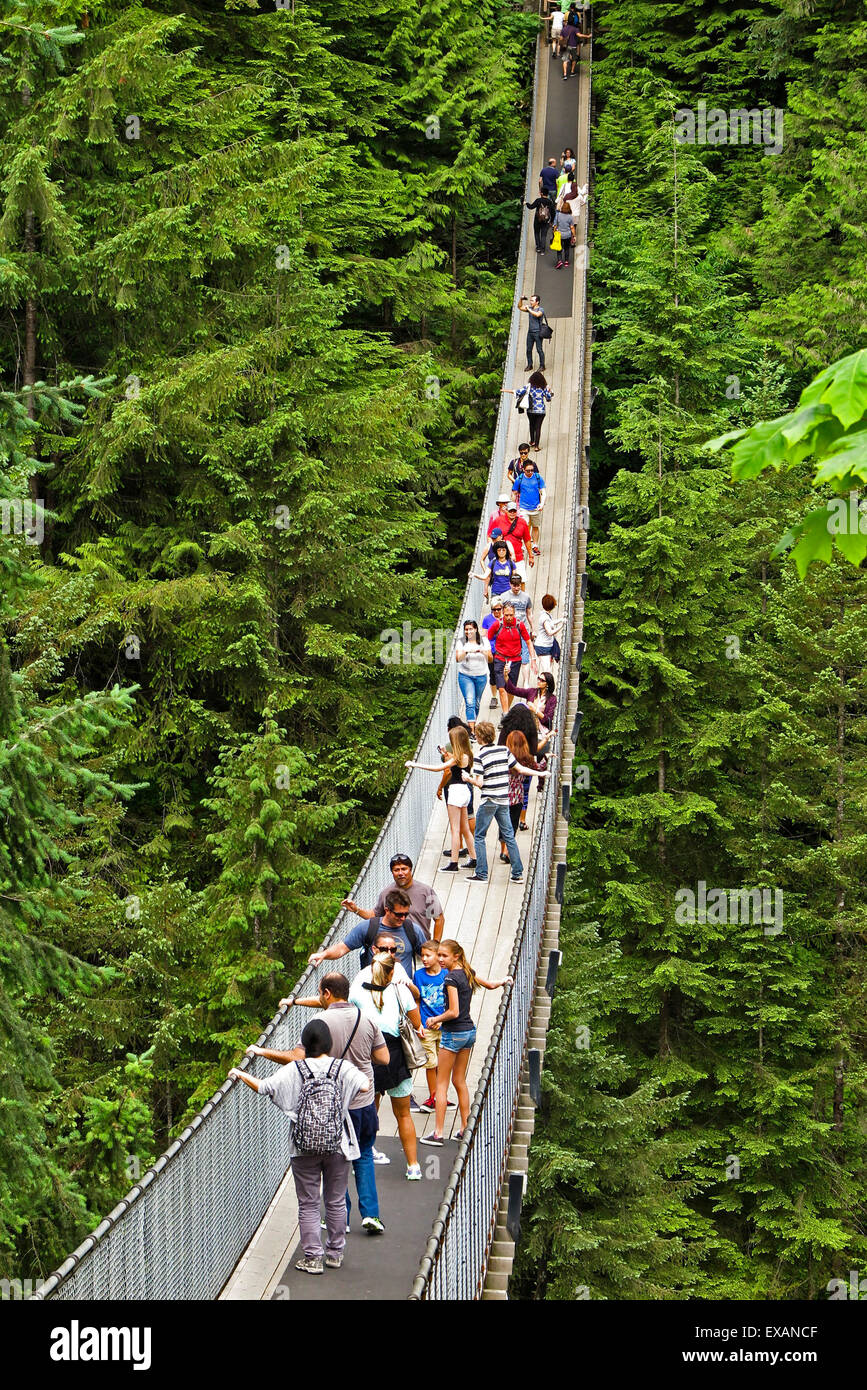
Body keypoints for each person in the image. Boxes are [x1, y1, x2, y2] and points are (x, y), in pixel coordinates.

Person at [229, 1019, 369, 1274]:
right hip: (338, 1144)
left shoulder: (296, 1069)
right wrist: (341, 1100)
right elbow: (364, 1085)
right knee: (336, 1200)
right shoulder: (342, 1068)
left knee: (308, 1203)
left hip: (303, 1146)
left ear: (304, 1046)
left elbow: (264, 1087)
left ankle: (313, 1258)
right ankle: (335, 1254)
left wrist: (240, 1074)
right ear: (330, 1043)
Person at [267, 974, 390, 1236]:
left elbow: (295, 1060)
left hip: (334, 1106)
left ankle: (340, 1218)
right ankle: (371, 1215)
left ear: (325, 993)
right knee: (364, 1154)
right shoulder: (365, 1018)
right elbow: (383, 1057)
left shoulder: (319, 1023)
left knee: (339, 1158)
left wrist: (261, 1051)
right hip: (364, 1102)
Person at [420, 940, 512, 1144]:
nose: (440, 959)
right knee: (459, 1080)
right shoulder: (467, 972)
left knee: (441, 1083)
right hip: (469, 1032)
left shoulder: (451, 978)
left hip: (453, 1034)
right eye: (439, 955)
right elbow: (488, 985)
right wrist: (502, 981)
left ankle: (438, 1133)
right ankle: (464, 1129)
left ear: (456, 956)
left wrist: (435, 1019)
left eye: (444, 956)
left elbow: (453, 1011)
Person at [350, 950, 425, 1180]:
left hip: (367, 1056)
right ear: (392, 972)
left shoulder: (357, 992)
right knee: (403, 1113)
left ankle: (364, 1157)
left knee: (367, 1109)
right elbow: (416, 1022)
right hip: (394, 1056)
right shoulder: (400, 990)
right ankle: (413, 1166)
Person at [464, 721, 547, 883]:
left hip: (489, 800)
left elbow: (480, 783)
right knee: (509, 835)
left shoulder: (480, 756)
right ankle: (517, 873)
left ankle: (481, 873)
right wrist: (541, 774)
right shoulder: (504, 750)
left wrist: (468, 778)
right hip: (503, 799)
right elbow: (521, 769)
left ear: (479, 737)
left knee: (479, 836)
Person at [406, 724, 476, 873]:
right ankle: (474, 859)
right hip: (465, 792)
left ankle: (453, 863)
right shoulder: (467, 755)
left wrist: (414, 764)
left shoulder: (456, 758)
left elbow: (438, 768)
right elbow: (456, 763)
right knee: (464, 828)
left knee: (455, 829)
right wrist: (446, 753)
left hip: (455, 793)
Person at [311, 888, 428, 976]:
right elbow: (342, 948)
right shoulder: (369, 928)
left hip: (402, 992)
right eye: (398, 914)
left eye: (406, 914)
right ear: (387, 910)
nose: (403, 918)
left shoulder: (413, 930)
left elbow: (428, 956)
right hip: (373, 991)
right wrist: (324, 954)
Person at [341, 853, 444, 943]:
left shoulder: (426, 892)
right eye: (396, 870)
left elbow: (439, 919)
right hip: (396, 947)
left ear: (410, 870)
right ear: (392, 872)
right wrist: (356, 910)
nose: (400, 873)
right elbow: (375, 916)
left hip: (421, 947)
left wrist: (435, 945)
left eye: (404, 869)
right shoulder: (386, 893)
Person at [412, 939, 457, 1111]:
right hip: (426, 1026)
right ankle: (433, 1096)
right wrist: (418, 1024)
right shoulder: (419, 976)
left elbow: (451, 1001)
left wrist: (442, 1020)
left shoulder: (447, 974)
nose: (423, 959)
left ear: (438, 957)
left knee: (443, 1062)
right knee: (431, 1063)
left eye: (427, 955)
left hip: (444, 1025)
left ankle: (441, 1095)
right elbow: (417, 1000)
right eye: (422, 955)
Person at [487, 602, 536, 716]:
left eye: (511, 615)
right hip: (500, 659)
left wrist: (533, 659)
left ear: (514, 614)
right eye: (506, 615)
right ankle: (505, 714)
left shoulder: (519, 625)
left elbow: (528, 642)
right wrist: (489, 651)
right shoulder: (497, 624)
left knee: (511, 688)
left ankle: (507, 710)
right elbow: (487, 639)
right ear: (503, 613)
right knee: (502, 688)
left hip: (515, 660)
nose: (508, 618)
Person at [455, 619, 491, 736]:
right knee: (469, 702)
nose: (468, 631)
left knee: (476, 703)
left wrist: (482, 651)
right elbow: (458, 659)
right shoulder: (461, 642)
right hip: (465, 676)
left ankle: (472, 725)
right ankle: (472, 731)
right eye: (466, 629)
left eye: (471, 629)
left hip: (481, 676)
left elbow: (490, 659)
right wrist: (466, 651)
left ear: (476, 629)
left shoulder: (484, 641)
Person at [503, 372, 553, 454]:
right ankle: (536, 446)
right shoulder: (544, 387)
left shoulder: (529, 386)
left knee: (531, 425)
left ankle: (532, 441)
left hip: (531, 410)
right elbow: (548, 397)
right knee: (538, 427)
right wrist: (549, 391)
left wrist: (505, 390)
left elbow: (518, 392)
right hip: (541, 411)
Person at [512, 454, 548, 553]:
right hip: (524, 508)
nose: (530, 472)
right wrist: (514, 507)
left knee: (535, 526)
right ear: (523, 469)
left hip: (536, 507)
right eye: (528, 470)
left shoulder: (537, 477)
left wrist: (542, 503)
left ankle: (535, 546)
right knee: (525, 526)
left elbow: (543, 492)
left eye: (532, 470)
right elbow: (514, 493)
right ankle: (524, 546)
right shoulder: (519, 479)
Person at [470, 537, 518, 603]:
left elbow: (515, 579)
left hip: (508, 593)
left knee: (507, 612)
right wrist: (474, 575)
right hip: (496, 593)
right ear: (496, 551)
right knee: (496, 611)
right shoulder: (493, 562)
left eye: (503, 550)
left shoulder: (511, 563)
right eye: (499, 550)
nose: (501, 552)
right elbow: (485, 576)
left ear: (506, 551)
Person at [481, 599, 504, 711]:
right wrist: (485, 649)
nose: (496, 612)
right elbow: (484, 636)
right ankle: (494, 697)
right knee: (493, 673)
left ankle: (504, 693)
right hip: (492, 650)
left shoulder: (506, 619)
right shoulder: (487, 619)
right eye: (494, 610)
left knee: (503, 673)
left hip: (504, 650)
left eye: (498, 609)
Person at [535, 593, 566, 672]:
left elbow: (551, 623)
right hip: (543, 647)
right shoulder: (545, 617)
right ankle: (545, 683)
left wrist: (561, 619)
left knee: (548, 668)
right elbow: (550, 632)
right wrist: (562, 626)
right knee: (547, 670)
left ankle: (547, 683)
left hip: (546, 645)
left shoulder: (546, 615)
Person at [517, 294, 549, 370]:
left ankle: (542, 366)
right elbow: (520, 307)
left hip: (538, 333)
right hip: (530, 333)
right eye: (530, 300)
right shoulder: (530, 308)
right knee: (528, 349)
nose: (530, 302)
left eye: (532, 300)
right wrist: (521, 299)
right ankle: (530, 365)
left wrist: (529, 309)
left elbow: (537, 315)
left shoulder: (541, 309)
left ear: (537, 302)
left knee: (539, 350)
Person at [553, 199, 579, 271]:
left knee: (559, 248)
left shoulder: (558, 215)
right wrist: (574, 236)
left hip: (559, 234)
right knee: (567, 248)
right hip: (567, 235)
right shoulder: (570, 217)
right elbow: (572, 227)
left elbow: (555, 225)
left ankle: (560, 261)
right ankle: (566, 261)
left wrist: (554, 232)